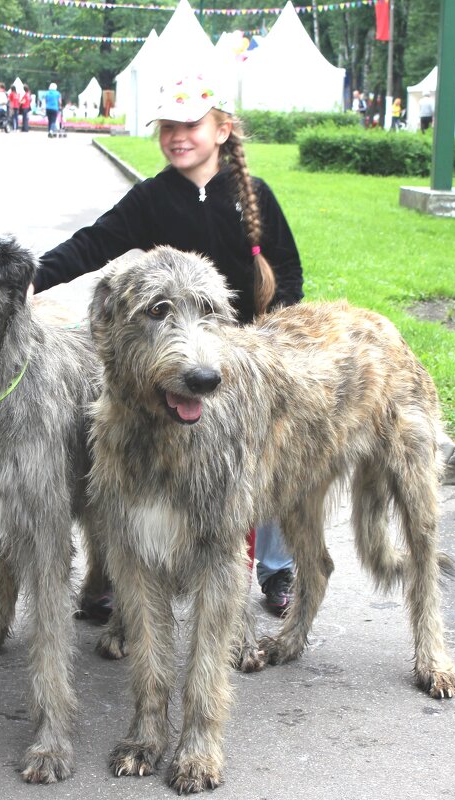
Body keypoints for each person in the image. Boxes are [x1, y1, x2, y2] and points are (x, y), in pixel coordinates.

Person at [32, 72, 301, 617]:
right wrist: (31, 278)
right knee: (134, 454)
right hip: (172, 351)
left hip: (246, 351)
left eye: (192, 125)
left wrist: (273, 340)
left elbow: (289, 275)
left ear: (222, 130)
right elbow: (94, 243)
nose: (178, 136)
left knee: (267, 460)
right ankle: (121, 572)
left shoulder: (254, 196)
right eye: (168, 126)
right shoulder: (152, 197)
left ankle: (277, 570)